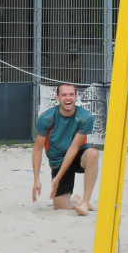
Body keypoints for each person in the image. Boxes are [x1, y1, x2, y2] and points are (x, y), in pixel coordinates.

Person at [31, 83, 100, 216]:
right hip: (58, 160)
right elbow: (37, 149)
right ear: (57, 97)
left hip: (76, 155)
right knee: (61, 207)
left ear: (76, 96)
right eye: (64, 95)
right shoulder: (46, 118)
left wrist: (57, 178)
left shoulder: (85, 117)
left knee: (92, 154)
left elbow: (74, 148)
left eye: (71, 94)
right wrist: (36, 180)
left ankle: (85, 203)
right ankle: (76, 201)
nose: (68, 98)